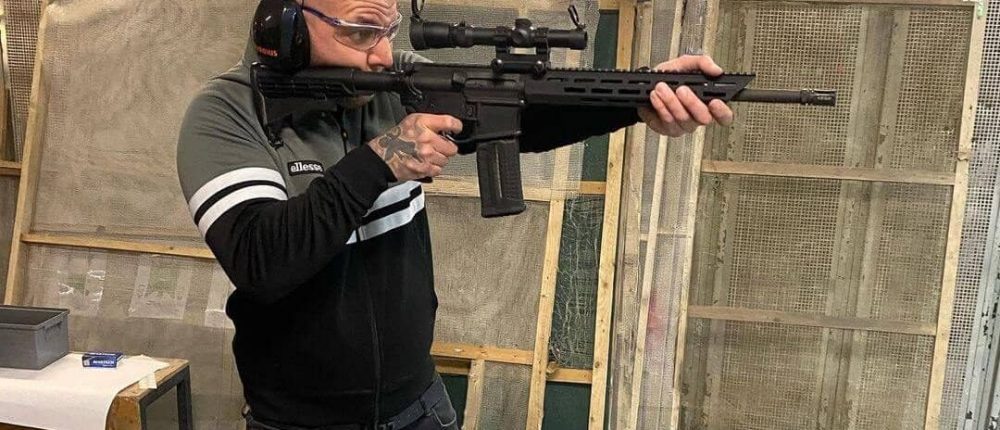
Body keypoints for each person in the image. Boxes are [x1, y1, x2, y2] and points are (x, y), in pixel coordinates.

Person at [176, 0, 733, 429]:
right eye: (362, 31)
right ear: (286, 28)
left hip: (419, 403)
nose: (382, 54)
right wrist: (381, 159)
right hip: (298, 420)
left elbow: (522, 116)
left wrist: (637, 97)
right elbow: (263, 261)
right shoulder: (227, 113)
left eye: (389, 30)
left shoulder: (394, 82)